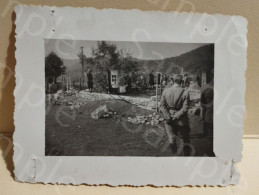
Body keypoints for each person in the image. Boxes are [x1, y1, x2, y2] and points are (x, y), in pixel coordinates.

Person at [160, 75, 191, 156]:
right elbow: (185, 108)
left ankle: (175, 156)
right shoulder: (185, 92)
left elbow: (162, 106)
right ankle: (186, 157)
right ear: (182, 82)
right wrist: (176, 116)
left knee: (171, 139)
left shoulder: (165, 91)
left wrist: (167, 116)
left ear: (173, 81)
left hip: (169, 118)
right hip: (181, 119)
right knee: (185, 139)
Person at [200, 72, 213, 137]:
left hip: (207, 104)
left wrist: (203, 105)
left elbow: (202, 98)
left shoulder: (204, 87)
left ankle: (205, 133)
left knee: (205, 118)